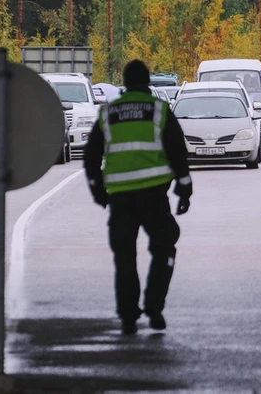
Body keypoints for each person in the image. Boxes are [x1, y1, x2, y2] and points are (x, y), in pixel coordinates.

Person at [84, 59, 193, 335]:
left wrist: (98, 190)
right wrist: (184, 189)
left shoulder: (108, 113)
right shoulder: (159, 110)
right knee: (164, 248)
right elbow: (178, 151)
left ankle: (128, 317)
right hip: (155, 196)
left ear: (124, 81)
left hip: (120, 199)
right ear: (148, 83)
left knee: (124, 257)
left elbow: (91, 156)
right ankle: (154, 306)